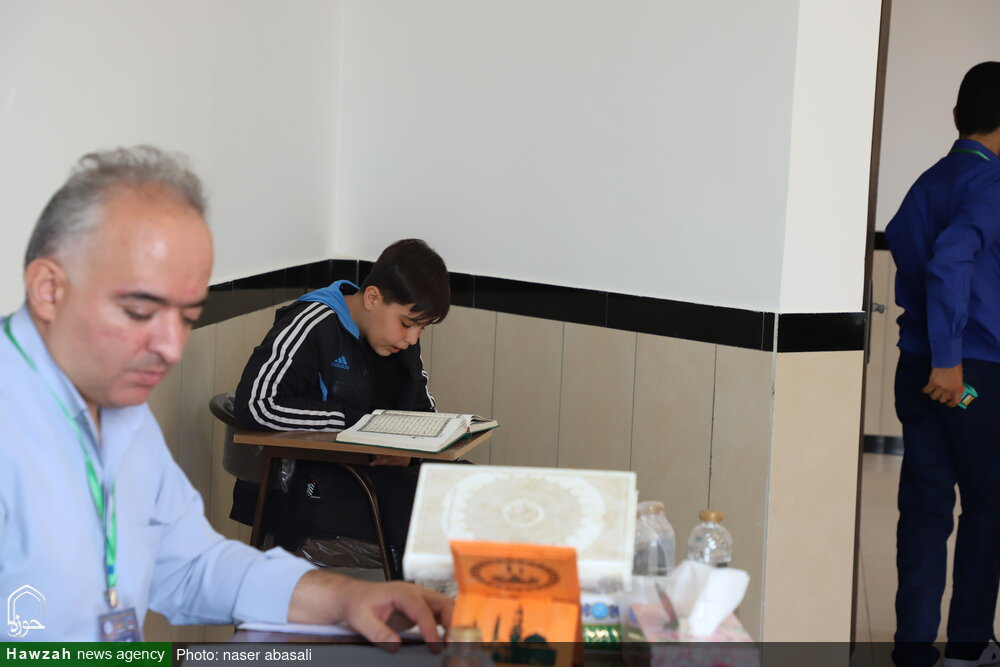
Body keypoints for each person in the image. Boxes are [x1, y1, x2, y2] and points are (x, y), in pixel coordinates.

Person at [0, 146, 451, 643]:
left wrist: (344, 598)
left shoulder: (119, 413)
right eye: (141, 311)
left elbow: (192, 565)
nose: (170, 348)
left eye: (187, 317)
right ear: (50, 289)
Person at [231, 239, 450, 567]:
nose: (412, 338)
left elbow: (423, 414)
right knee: (442, 520)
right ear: (373, 297)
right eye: (407, 323)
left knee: (472, 492)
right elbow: (256, 403)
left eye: (422, 328)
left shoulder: (399, 343)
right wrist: (359, 426)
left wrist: (411, 454)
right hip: (316, 487)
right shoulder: (313, 323)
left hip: (380, 477)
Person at [886, 62, 1000, 667]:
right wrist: (952, 360)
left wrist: (934, 350)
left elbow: (908, 248)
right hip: (969, 379)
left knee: (926, 510)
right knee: (989, 505)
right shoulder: (992, 182)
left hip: (918, 369)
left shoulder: (928, 180)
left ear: (957, 116)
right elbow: (951, 259)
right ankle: (967, 649)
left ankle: (912, 649)